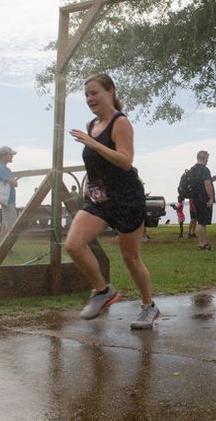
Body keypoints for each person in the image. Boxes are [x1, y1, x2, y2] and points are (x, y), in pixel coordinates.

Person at [64, 73, 159, 330]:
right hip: (99, 199)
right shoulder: (91, 125)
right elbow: (96, 163)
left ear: (110, 91)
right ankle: (103, 290)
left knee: (131, 258)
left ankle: (148, 306)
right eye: (86, 95)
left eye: (94, 92)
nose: (90, 98)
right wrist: (88, 181)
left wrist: (93, 144)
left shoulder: (121, 122)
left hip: (126, 199)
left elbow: (125, 161)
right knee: (73, 245)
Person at [187, 151, 216, 250]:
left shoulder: (192, 169)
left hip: (196, 199)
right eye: (207, 159)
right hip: (204, 198)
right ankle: (202, 243)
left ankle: (204, 241)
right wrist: (211, 198)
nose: (207, 161)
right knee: (202, 222)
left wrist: (211, 180)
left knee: (201, 221)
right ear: (203, 158)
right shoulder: (204, 169)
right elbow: (207, 184)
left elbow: (198, 182)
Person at [0, 146, 19, 237]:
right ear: (4, 155)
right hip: (8, 200)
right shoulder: (1, 168)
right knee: (11, 225)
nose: (12, 156)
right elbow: (14, 183)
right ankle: (6, 245)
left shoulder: (0, 168)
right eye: (10, 154)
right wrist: (14, 180)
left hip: (6, 200)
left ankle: (2, 244)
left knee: (5, 224)